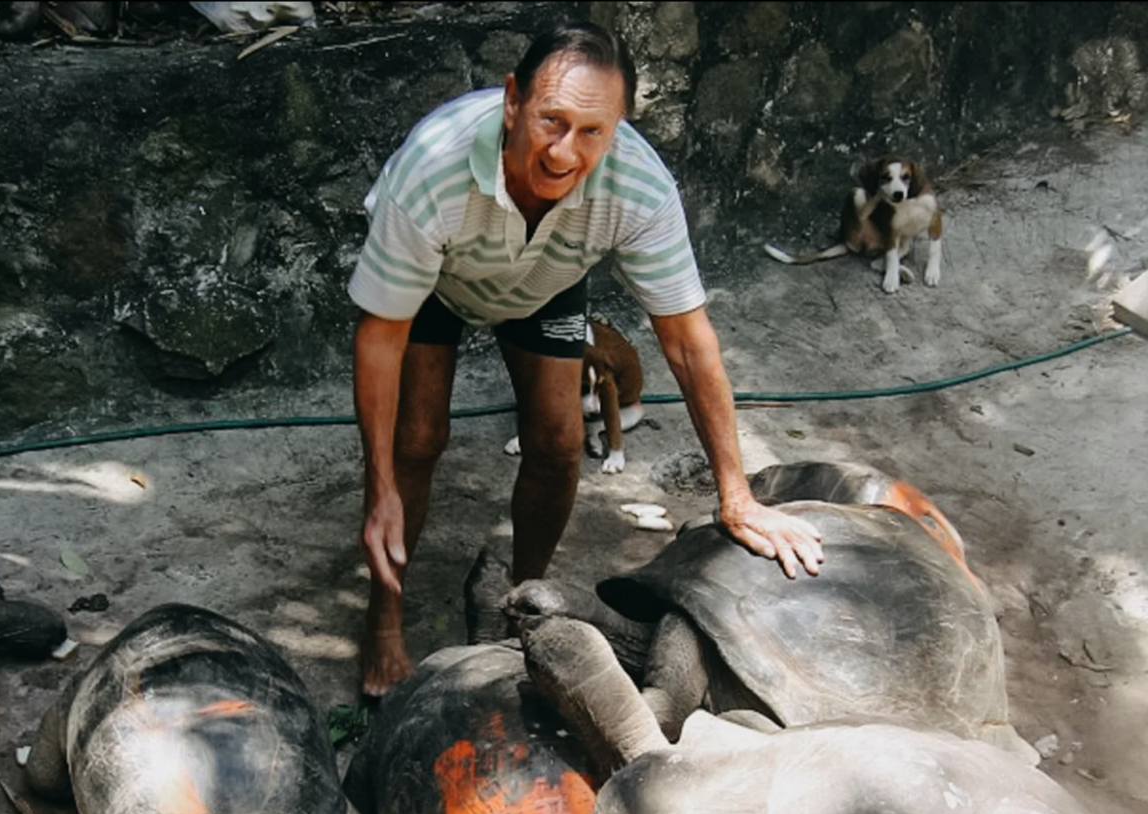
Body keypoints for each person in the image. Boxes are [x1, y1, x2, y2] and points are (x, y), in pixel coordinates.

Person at [349, 20, 823, 697]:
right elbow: (379, 335)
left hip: (544, 274)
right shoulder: (435, 168)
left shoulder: (638, 187)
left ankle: (521, 605)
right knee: (418, 440)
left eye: (593, 131)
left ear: (620, 127)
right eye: (551, 120)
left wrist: (737, 496)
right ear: (513, 101)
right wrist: (381, 484)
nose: (566, 151)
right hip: (435, 282)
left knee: (560, 441)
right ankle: (383, 621)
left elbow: (688, 341)